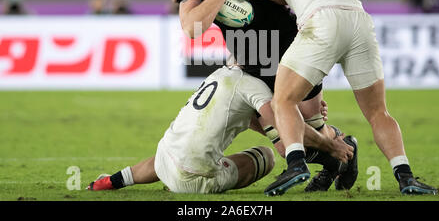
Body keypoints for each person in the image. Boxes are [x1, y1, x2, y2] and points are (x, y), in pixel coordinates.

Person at [169, 0, 437, 196]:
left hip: (292, 41)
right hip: (264, 52)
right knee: (288, 136)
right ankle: (359, 165)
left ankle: (330, 154)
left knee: (305, 119)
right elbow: (193, 28)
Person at [170, 0, 356, 191]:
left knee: (313, 126)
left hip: (287, 45)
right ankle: (333, 156)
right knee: (285, 142)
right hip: (250, 59)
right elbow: (192, 28)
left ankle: (342, 150)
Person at [87, 65, 353, 193]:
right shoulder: (255, 87)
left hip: (165, 160)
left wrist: (113, 180)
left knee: (177, 149)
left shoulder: (220, 73)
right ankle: (339, 153)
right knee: (271, 153)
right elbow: (284, 128)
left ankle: (112, 181)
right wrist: (328, 143)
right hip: (195, 178)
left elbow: (268, 122)